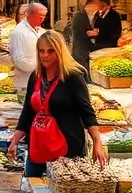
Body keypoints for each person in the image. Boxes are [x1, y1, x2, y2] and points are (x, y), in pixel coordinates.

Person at [7, 31, 107, 177]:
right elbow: (28, 112)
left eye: (50, 51)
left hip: (67, 148)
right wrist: (15, 140)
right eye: (41, 51)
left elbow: (87, 113)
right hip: (38, 146)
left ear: (60, 52)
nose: (45, 55)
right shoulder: (35, 77)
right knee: (35, 188)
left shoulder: (73, 78)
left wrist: (97, 143)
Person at [9, 1, 48, 92]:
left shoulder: (41, 31)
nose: (42, 19)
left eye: (44, 17)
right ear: (29, 15)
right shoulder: (19, 32)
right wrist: (39, 66)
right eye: (39, 17)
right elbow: (19, 60)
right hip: (25, 81)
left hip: (40, 80)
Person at [70, 0, 94, 66]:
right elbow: (80, 33)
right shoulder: (79, 16)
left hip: (86, 50)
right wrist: (90, 33)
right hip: (80, 50)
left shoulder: (88, 15)